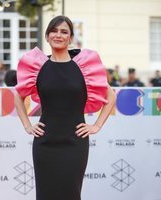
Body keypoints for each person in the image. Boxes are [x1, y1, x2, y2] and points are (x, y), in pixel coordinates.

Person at [14, 15, 116, 200]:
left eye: (64, 32)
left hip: (75, 143)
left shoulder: (84, 67)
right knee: (45, 194)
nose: (58, 35)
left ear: (70, 38)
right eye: (54, 31)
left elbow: (111, 96)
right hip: (45, 144)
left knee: (71, 193)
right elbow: (18, 96)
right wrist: (28, 125)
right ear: (47, 36)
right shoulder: (37, 67)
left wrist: (97, 126)